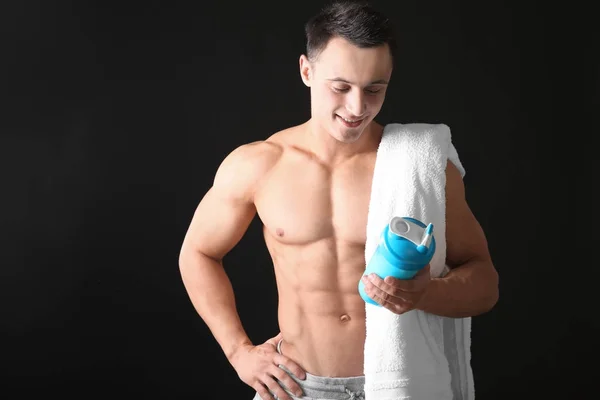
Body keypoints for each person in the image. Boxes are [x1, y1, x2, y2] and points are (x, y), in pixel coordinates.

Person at [178, 1, 499, 399]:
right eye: (341, 87)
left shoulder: (420, 165)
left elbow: (485, 282)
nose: (357, 107)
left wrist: (425, 294)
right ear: (306, 71)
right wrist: (238, 351)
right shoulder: (260, 165)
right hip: (296, 387)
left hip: (398, 385)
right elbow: (197, 253)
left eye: (374, 89)